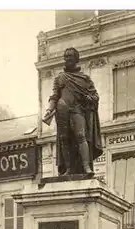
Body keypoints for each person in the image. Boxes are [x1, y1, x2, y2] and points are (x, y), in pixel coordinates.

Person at [42, 47, 103, 176]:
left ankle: (86, 167)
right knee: (64, 138)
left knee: (81, 136)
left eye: (70, 56)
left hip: (77, 109)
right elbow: (54, 96)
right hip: (61, 109)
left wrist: (90, 98)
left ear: (76, 59)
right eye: (66, 56)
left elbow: (95, 96)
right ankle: (68, 168)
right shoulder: (60, 78)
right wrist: (49, 109)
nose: (67, 59)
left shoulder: (85, 78)